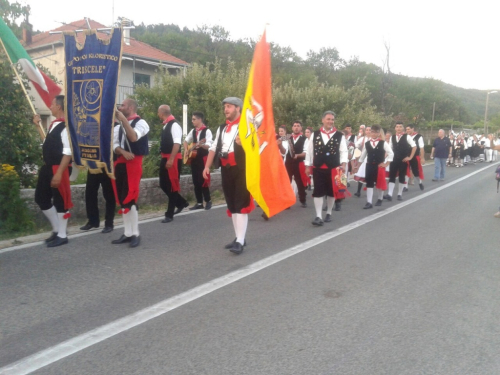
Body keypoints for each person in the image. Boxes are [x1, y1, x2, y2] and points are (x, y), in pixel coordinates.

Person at [203, 97, 253, 255]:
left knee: (240, 204)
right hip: (226, 168)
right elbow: (213, 147)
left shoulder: (247, 126)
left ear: (238, 108)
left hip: (242, 169)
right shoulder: (222, 128)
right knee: (231, 204)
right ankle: (239, 237)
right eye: (225, 106)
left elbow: (256, 147)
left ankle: (240, 240)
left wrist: (243, 144)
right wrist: (206, 166)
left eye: (229, 106)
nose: (226, 109)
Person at [32, 95, 73, 247]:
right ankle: (57, 230)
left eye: (52, 104)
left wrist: (59, 173)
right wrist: (38, 126)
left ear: (59, 107)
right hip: (48, 166)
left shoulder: (66, 126)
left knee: (60, 200)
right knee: (41, 198)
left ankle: (62, 235)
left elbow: (68, 152)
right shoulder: (54, 124)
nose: (50, 106)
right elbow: (47, 144)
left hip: (59, 167)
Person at [111, 98, 149, 248]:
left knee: (130, 198)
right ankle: (127, 233)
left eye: (123, 106)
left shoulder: (142, 123)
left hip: (133, 163)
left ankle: (136, 233)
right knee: (122, 199)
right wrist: (122, 151)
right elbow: (114, 145)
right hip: (120, 162)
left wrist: (122, 120)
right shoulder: (118, 126)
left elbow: (133, 137)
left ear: (131, 107)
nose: (120, 108)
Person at [305, 110, 348, 226]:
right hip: (318, 167)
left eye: (332, 119)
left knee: (331, 192)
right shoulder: (315, 134)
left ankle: (329, 212)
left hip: (334, 168)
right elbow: (309, 151)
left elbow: (344, 151)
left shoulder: (340, 135)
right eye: (328, 119)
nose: (330, 121)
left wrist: (343, 165)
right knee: (318, 192)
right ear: (323, 120)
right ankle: (318, 216)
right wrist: (307, 165)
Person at [358, 125, 393, 208]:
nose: (374, 134)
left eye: (376, 132)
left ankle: (380, 199)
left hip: (379, 166)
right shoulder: (367, 144)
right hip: (369, 165)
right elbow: (362, 156)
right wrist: (357, 166)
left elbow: (391, 153)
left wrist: (386, 163)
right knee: (369, 183)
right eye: (372, 132)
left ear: (379, 133)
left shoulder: (383, 143)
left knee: (379, 182)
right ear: (370, 133)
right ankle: (369, 202)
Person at [183, 111, 213, 210]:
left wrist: (202, 145)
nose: (192, 121)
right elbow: (186, 141)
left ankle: (208, 201)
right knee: (196, 181)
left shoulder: (207, 131)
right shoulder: (193, 131)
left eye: (194, 119)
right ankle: (199, 202)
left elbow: (208, 145)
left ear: (200, 119)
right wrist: (187, 150)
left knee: (203, 180)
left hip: (203, 159)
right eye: (192, 119)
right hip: (194, 159)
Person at [80, 166, 115, 233]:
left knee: (109, 195)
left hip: (106, 166)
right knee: (90, 193)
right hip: (93, 165)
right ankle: (93, 221)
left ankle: (109, 223)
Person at [387, 122, 416, 201]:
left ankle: (399, 194)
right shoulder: (392, 137)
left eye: (400, 127)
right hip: (394, 159)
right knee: (392, 176)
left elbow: (414, 147)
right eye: (397, 127)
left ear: (403, 128)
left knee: (401, 176)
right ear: (395, 128)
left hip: (403, 160)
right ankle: (389, 194)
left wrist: (410, 157)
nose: (398, 128)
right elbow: (389, 149)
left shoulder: (407, 137)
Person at [284, 121, 308, 208]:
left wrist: (298, 155)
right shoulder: (287, 138)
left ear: (301, 128)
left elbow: (305, 152)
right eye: (294, 126)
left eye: (298, 126)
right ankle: (287, 202)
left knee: (300, 182)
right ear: (292, 128)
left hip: (299, 163)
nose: (296, 127)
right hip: (289, 163)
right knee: (287, 183)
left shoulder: (305, 139)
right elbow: (284, 151)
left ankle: (303, 200)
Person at [405, 124, 425, 191]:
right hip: (406, 156)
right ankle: (405, 186)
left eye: (409, 129)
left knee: (415, 171)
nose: (407, 131)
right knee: (405, 171)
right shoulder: (405, 136)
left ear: (412, 129)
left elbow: (421, 148)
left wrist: (422, 158)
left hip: (414, 156)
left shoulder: (419, 137)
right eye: (406, 129)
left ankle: (420, 182)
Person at [353, 126, 371, 197]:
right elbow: (356, 145)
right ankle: (358, 191)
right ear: (365, 131)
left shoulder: (373, 139)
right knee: (361, 173)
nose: (368, 131)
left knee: (369, 175)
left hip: (371, 158)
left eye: (369, 130)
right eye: (367, 130)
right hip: (363, 158)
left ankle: (369, 191)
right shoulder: (363, 138)